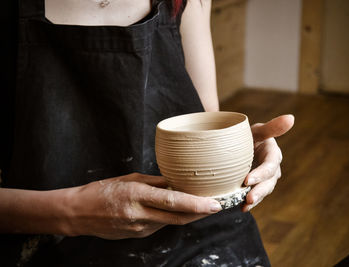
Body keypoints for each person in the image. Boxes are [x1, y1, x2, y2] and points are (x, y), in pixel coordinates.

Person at [0, 0, 294, 266]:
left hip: (190, 229)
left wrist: (243, 149)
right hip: (44, 235)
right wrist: (73, 212)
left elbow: (205, 122)